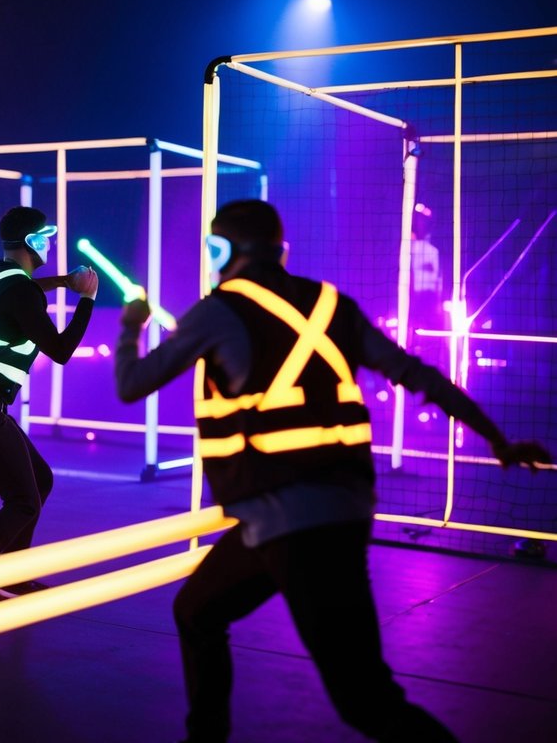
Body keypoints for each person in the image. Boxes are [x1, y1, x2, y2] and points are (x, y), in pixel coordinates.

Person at [113, 198, 551, 743]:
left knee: (365, 701)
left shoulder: (219, 310)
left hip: (296, 524)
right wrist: (499, 442)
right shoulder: (331, 305)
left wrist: (130, 326)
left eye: (211, 248)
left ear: (223, 250)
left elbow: (131, 385)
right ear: (281, 251)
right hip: (322, 511)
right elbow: (419, 376)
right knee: (197, 611)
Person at [0, 206, 98, 606]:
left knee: (39, 481)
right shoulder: (20, 290)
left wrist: (63, 282)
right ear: (30, 242)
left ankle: (10, 574)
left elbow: (19, 292)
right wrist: (87, 299)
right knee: (24, 499)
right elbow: (60, 350)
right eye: (45, 238)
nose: (50, 244)